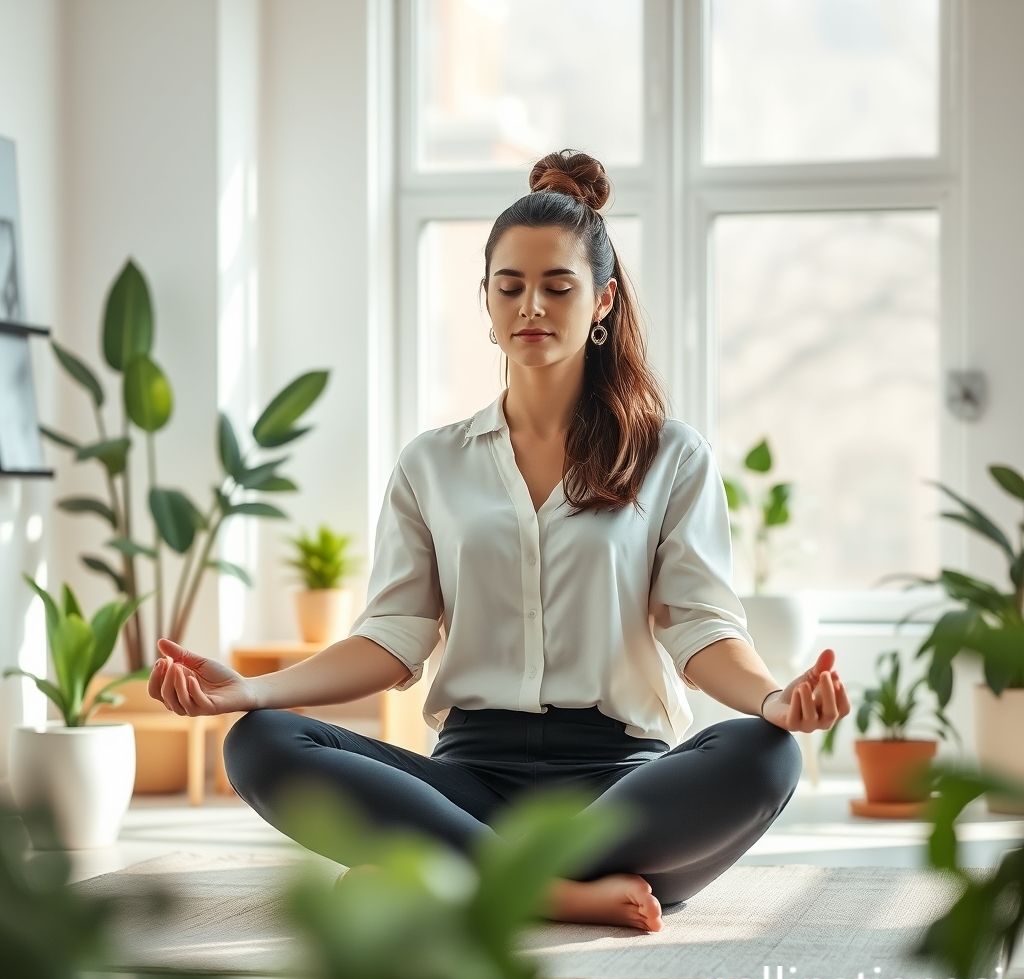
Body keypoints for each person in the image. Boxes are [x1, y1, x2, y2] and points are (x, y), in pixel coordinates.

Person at [148, 149, 850, 934]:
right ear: (485, 300)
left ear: (604, 300)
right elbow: (392, 638)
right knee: (261, 744)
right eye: (509, 287)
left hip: (616, 787)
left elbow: (702, 629)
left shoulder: (671, 456)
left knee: (767, 756)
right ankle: (551, 892)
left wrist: (776, 700)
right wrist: (247, 690)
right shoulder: (433, 463)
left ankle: (450, 872)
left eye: (558, 287)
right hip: (467, 780)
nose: (531, 308)